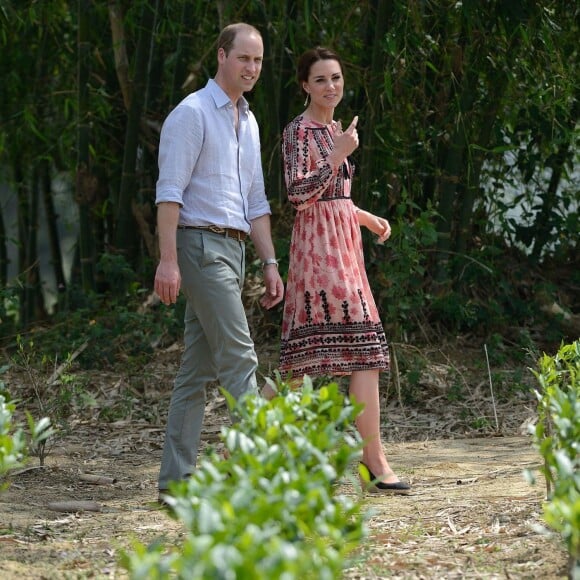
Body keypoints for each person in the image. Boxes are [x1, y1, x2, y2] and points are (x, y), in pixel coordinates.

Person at [154, 23, 284, 497]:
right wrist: (168, 261)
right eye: (244, 58)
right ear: (221, 56)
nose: (252, 68)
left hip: (234, 250)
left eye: (258, 61)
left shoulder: (248, 122)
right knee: (240, 357)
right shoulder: (191, 114)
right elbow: (169, 194)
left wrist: (270, 263)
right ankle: (262, 477)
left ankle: (175, 484)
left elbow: (256, 201)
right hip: (198, 246)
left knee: (197, 371)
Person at [278, 47, 410, 494]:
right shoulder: (299, 131)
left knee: (362, 354)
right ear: (304, 85)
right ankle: (242, 455)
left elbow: (335, 199)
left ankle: (373, 458)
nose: (330, 87)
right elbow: (298, 195)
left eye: (336, 78)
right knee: (308, 363)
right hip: (317, 256)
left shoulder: (335, 129)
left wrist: (366, 217)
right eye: (320, 80)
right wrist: (336, 155)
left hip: (344, 248)